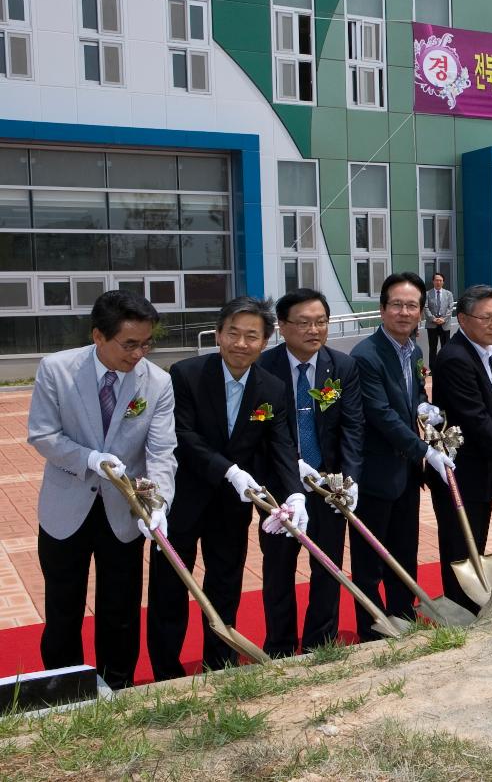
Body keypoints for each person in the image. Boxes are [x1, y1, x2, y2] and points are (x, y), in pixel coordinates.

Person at [148, 297, 304, 681]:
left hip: (231, 508)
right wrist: (229, 470)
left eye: (252, 336)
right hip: (183, 500)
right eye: (232, 333)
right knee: (170, 588)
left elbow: (281, 444)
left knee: (224, 585)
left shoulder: (272, 386)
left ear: (265, 341)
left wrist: (295, 492)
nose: (241, 343)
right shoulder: (186, 374)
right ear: (217, 335)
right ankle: (165, 674)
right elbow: (181, 435)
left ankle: (219, 666)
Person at [28, 291, 176, 690]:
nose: (139, 354)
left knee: (121, 607)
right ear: (98, 336)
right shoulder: (56, 369)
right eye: (129, 344)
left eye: (147, 343)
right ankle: (65, 689)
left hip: (123, 510)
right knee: (64, 605)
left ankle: (118, 686)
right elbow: (42, 434)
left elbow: (161, 451)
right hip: (66, 506)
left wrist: (158, 502)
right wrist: (89, 459)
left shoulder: (157, 382)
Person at [256, 288, 365, 656]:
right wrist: (289, 473)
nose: (314, 330)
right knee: (278, 571)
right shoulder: (262, 368)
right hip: (280, 490)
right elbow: (261, 432)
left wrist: (348, 480)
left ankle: (321, 642)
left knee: (328, 567)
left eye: (321, 322)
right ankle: (281, 647)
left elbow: (352, 428)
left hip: (327, 485)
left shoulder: (342, 366)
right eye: (303, 323)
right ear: (282, 327)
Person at [350, 272, 453, 640]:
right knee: (370, 557)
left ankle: (402, 616)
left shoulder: (416, 350)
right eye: (397, 304)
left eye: (412, 305)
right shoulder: (366, 355)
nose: (404, 312)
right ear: (382, 309)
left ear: (422, 311)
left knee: (404, 549)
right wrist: (424, 448)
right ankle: (372, 627)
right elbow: (380, 414)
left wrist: (425, 408)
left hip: (407, 471)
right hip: (376, 472)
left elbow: (412, 400)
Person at [427, 285, 492, 611]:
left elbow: (483, 403)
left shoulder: (482, 351)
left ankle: (472, 606)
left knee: (476, 541)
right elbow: (472, 418)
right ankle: (460, 611)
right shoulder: (455, 358)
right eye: (485, 318)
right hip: (463, 473)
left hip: (480, 474)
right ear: (462, 319)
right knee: (462, 548)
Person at [424, 272, 453, 370]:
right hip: (432, 324)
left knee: (445, 348)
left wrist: (443, 319)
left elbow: (450, 308)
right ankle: (433, 369)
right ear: (433, 281)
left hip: (445, 324)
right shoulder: (427, 294)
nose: (438, 282)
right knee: (433, 348)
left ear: (443, 282)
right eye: (436, 280)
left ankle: (445, 367)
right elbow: (425, 307)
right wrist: (433, 318)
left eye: (440, 280)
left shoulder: (448, 294)